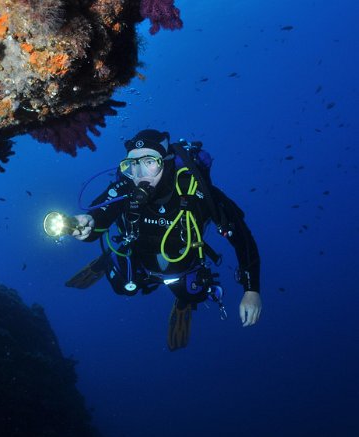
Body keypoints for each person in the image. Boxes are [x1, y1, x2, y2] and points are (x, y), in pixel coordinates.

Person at [67, 129, 262, 351]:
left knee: (193, 294)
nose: (139, 172)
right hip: (137, 258)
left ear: (167, 162)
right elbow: (95, 224)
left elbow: (242, 237)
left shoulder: (196, 191)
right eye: (131, 164)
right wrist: (84, 226)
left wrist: (251, 289)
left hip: (182, 265)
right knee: (124, 288)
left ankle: (183, 303)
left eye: (150, 161)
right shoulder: (124, 189)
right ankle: (106, 260)